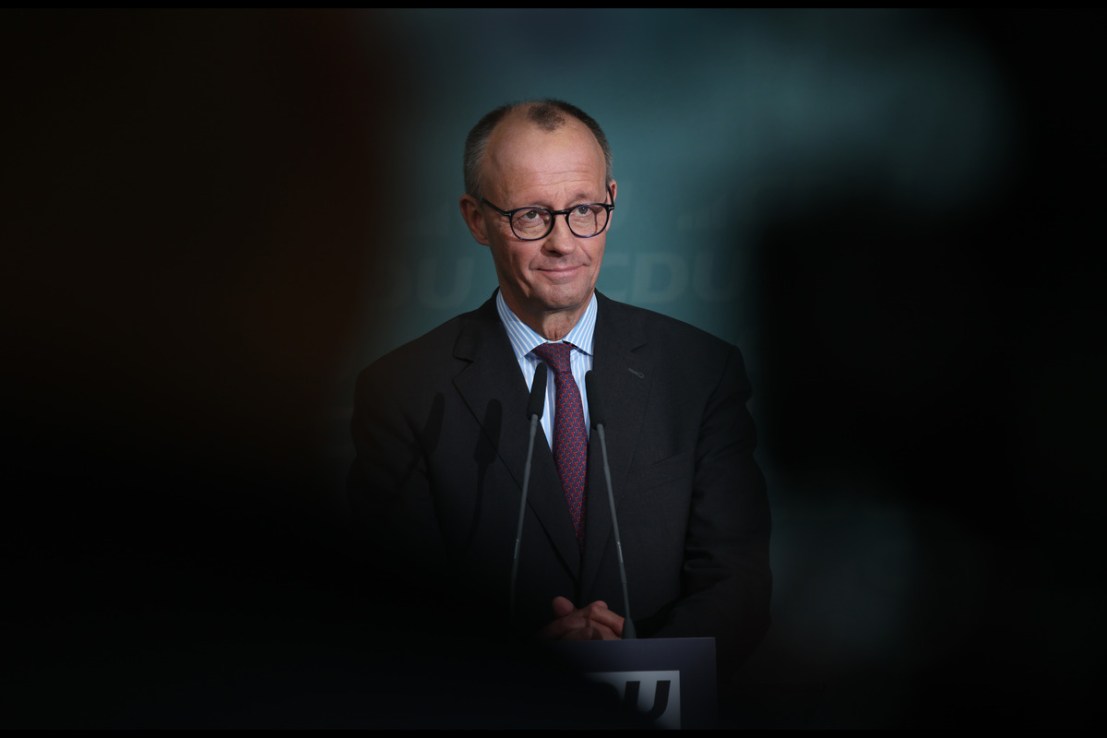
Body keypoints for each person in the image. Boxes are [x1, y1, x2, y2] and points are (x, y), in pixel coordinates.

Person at [347, 99, 771, 679]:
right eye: (530, 216)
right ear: (476, 219)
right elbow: (391, 608)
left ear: (611, 204)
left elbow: (738, 582)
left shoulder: (700, 372)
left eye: (583, 210)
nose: (563, 242)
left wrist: (641, 658)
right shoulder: (403, 393)